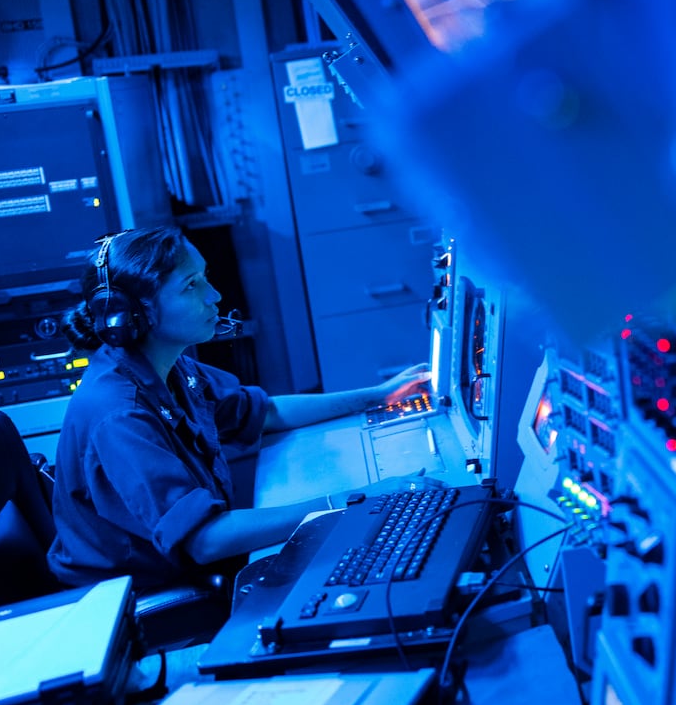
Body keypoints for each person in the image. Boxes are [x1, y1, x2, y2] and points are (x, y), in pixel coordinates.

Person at [47, 225, 431, 591]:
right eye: (192, 286)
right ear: (133, 315)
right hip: (137, 591)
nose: (214, 296)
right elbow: (205, 539)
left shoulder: (165, 365)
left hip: (186, 558)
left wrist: (378, 396)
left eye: (205, 277)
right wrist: (354, 501)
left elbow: (263, 413)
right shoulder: (118, 415)